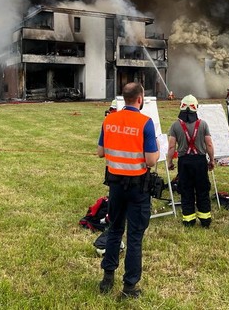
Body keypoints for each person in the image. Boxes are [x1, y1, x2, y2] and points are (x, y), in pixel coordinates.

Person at [97, 82, 159, 298]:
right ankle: (130, 287)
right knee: (134, 237)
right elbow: (150, 160)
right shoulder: (145, 123)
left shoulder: (109, 120)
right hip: (137, 187)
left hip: (115, 185)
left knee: (114, 230)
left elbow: (100, 152)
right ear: (140, 99)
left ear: (124, 98)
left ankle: (107, 278)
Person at [167, 95, 216, 227]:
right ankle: (205, 220)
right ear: (196, 108)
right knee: (202, 189)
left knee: (186, 190)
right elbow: (209, 145)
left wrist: (169, 162)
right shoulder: (203, 124)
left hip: (184, 162)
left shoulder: (175, 126)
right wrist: (211, 160)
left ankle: (188, 220)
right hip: (200, 161)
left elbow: (172, 146)